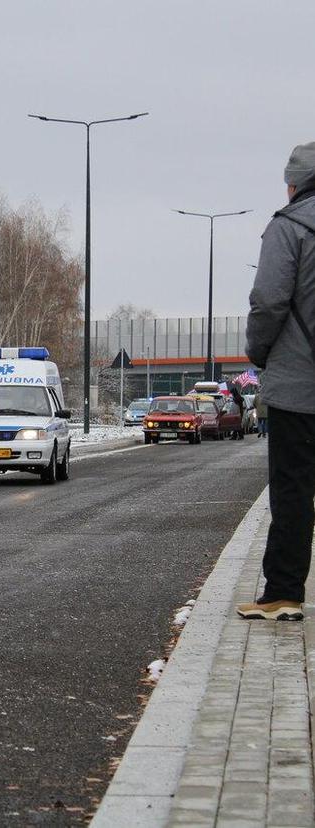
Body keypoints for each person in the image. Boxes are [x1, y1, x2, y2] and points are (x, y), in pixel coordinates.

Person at [237, 142, 315, 620]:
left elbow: (268, 301)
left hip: (298, 388)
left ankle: (284, 593)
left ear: (293, 184)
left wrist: (260, 353)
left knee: (293, 489)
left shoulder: (288, 228)